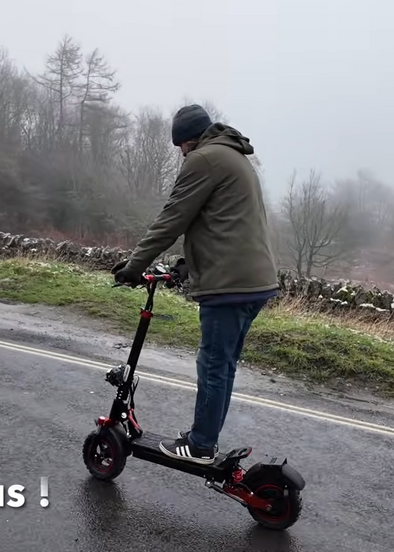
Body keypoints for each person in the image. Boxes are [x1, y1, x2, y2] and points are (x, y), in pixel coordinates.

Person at [111, 104, 279, 464]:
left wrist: (133, 266)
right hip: (254, 280)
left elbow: (172, 219)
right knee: (224, 364)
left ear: (188, 140)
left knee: (213, 364)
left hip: (230, 284)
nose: (180, 153)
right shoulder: (233, 157)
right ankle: (204, 438)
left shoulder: (203, 160)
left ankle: (201, 445)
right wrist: (188, 264)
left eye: (180, 147)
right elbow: (225, 222)